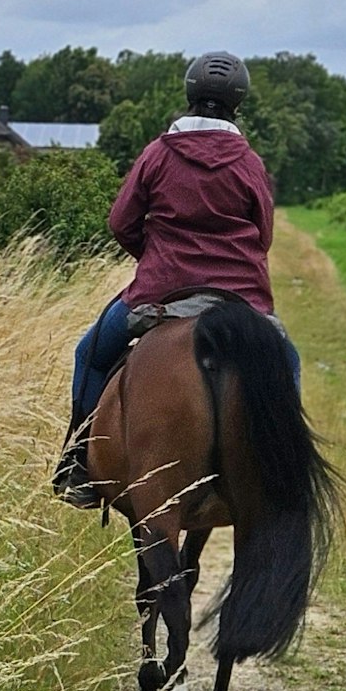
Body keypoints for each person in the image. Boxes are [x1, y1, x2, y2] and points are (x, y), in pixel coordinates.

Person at [53, 51, 301, 508]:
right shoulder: (249, 162)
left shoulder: (157, 154)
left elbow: (120, 222)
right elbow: (263, 235)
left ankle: (78, 465)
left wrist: (155, 257)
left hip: (160, 294)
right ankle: (289, 472)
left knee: (89, 353)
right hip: (239, 299)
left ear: (189, 93)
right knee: (286, 359)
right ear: (238, 102)